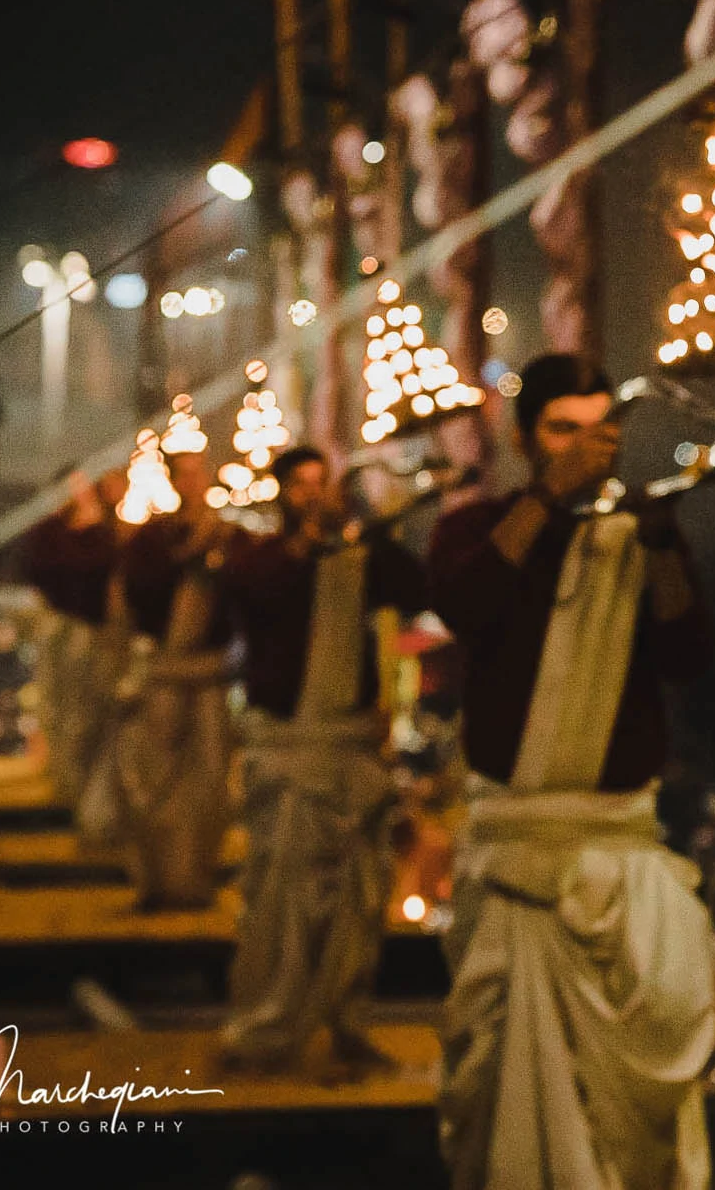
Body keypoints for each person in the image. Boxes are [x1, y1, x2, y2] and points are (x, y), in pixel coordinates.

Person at [426, 353, 715, 1190]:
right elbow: (466, 602)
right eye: (565, 432)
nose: (591, 449)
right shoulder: (479, 525)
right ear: (527, 440)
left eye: (603, 432)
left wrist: (661, 547)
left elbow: (688, 653)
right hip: (517, 848)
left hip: (622, 843)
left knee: (662, 1020)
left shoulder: (641, 528)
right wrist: (549, 497)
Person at [215, 445, 428, 1076]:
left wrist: (375, 526)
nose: (312, 495)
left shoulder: (359, 557)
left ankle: (348, 1024)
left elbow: (414, 587)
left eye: (321, 484)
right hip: (291, 752)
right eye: (300, 485)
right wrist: (304, 548)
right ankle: (266, 1029)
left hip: (352, 752)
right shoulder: (257, 557)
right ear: (279, 493)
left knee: (360, 904)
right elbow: (252, 594)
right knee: (281, 902)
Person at [95, 450, 234, 909]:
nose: (194, 483)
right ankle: (161, 878)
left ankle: (196, 876)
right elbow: (134, 600)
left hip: (209, 673)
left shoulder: (228, 536)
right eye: (187, 475)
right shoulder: (153, 541)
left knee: (212, 778)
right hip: (165, 675)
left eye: (200, 474)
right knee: (157, 779)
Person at [24, 470, 127, 810]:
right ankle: (68, 788)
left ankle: (87, 797)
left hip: (95, 635)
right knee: (61, 708)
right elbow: (45, 570)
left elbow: (109, 569)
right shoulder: (50, 533)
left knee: (92, 712)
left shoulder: (104, 530)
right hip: (62, 632)